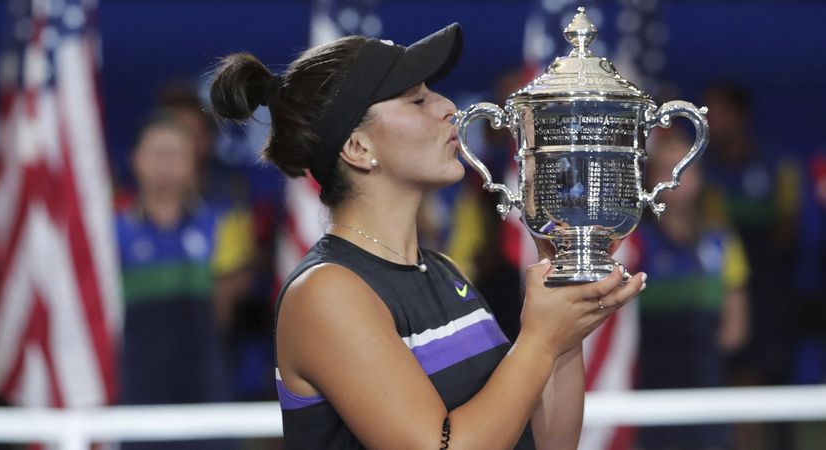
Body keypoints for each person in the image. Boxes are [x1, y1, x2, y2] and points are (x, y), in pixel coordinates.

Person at [209, 23, 645, 449]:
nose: (448, 107)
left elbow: (550, 441)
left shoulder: (442, 270)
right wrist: (539, 340)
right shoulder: (327, 292)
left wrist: (562, 325)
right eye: (417, 100)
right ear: (358, 148)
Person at [115, 110, 251, 449]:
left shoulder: (224, 223)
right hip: (135, 390)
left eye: (175, 153)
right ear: (136, 160)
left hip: (206, 387)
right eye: (157, 152)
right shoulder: (108, 233)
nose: (166, 162)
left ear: (193, 162)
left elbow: (224, 312)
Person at [633, 130, 750, 450]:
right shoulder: (632, 245)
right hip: (647, 385)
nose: (676, 181)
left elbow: (735, 330)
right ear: (648, 178)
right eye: (666, 170)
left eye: (686, 170)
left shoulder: (722, 242)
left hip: (705, 383)